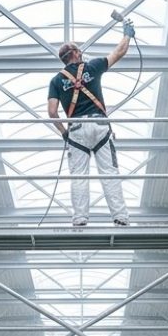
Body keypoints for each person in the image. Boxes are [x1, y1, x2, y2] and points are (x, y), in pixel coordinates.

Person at [47, 18, 134, 227]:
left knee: (78, 176)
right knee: (109, 172)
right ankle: (120, 217)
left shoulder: (56, 80)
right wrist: (127, 34)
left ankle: (80, 218)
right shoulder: (93, 66)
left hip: (76, 129)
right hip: (99, 126)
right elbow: (119, 52)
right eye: (79, 50)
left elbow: (52, 112)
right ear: (76, 54)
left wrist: (64, 133)